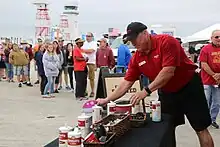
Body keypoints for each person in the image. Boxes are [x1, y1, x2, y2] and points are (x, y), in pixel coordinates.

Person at [97, 22, 214, 147]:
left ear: (145, 33)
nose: (133, 43)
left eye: (135, 39)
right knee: (166, 128)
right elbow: (126, 83)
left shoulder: (166, 42)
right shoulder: (137, 57)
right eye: (130, 41)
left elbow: (168, 71)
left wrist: (146, 91)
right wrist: (107, 99)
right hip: (167, 91)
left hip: (189, 86)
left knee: (200, 128)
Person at [199, 30, 220, 129]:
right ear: (211, 38)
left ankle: (213, 120)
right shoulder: (205, 49)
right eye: (216, 37)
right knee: (205, 101)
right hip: (207, 80)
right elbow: (203, 64)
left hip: (218, 81)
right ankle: (204, 120)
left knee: (217, 102)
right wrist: (213, 75)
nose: (219, 39)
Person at [82, 32, 98, 97]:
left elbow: (91, 51)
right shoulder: (84, 43)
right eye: (86, 36)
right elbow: (81, 50)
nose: (87, 37)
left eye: (88, 36)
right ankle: (85, 90)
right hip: (84, 62)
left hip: (91, 62)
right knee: (84, 77)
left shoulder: (94, 43)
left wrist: (84, 50)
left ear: (91, 37)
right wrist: (86, 50)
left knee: (91, 78)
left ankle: (92, 91)